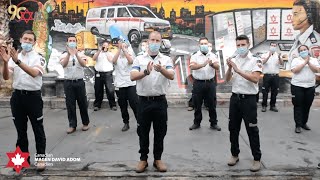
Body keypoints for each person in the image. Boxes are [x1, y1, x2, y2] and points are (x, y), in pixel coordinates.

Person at [0, 30, 46, 171]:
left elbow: (34, 73)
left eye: (30, 40)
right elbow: (7, 77)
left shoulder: (39, 58)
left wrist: (17, 61)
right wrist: (5, 63)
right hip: (17, 98)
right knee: (21, 131)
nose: (27, 42)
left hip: (33, 97)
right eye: (25, 39)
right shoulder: (16, 56)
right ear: (20, 39)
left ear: (34, 42)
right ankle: (21, 160)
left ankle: (41, 159)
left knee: (38, 129)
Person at [130, 31, 174, 173]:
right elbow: (132, 76)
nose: (154, 43)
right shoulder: (139, 59)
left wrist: (161, 69)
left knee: (160, 132)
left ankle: (157, 159)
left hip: (160, 102)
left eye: (157, 40)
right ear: (147, 42)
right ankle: (143, 159)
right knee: (142, 131)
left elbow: (171, 75)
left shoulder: (166, 59)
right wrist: (145, 72)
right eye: (152, 40)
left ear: (160, 43)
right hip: (143, 102)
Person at [225, 35, 262, 172]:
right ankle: (235, 154)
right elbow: (227, 79)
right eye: (238, 45)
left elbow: (255, 78)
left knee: (252, 130)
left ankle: (257, 158)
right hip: (235, 99)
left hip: (249, 100)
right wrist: (230, 68)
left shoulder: (255, 60)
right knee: (233, 129)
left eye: (243, 45)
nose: (240, 47)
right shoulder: (234, 60)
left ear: (248, 44)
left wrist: (238, 70)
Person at [188, 37, 220, 131]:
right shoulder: (195, 56)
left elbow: (217, 67)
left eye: (205, 43)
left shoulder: (213, 55)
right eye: (202, 44)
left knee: (212, 104)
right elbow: (192, 67)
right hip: (198, 83)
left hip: (210, 83)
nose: (204, 45)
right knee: (197, 104)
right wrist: (203, 64)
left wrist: (211, 64)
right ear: (199, 45)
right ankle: (196, 123)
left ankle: (213, 123)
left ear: (208, 44)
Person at [60, 36, 90, 134]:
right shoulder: (63, 55)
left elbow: (84, 64)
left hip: (79, 82)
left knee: (82, 103)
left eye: (74, 41)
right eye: (70, 41)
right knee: (70, 105)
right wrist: (69, 54)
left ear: (76, 43)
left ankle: (85, 123)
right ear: (67, 43)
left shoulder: (81, 54)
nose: (72, 42)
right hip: (68, 83)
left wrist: (76, 54)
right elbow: (63, 65)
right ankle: (72, 125)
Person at [290, 45, 320, 133]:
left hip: (310, 86)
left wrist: (309, 62)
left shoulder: (314, 60)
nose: (303, 51)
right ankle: (298, 125)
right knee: (298, 105)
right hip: (297, 86)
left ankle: (304, 123)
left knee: (307, 106)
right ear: (299, 53)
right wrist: (304, 62)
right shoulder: (296, 60)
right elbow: (295, 71)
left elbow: (317, 70)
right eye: (301, 50)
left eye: (305, 50)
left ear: (308, 50)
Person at [112, 40, 138, 132]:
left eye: (125, 47)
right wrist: (119, 49)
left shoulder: (131, 55)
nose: (123, 49)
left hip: (130, 84)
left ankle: (139, 122)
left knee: (134, 104)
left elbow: (130, 61)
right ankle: (126, 123)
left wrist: (125, 50)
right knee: (123, 106)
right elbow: (113, 61)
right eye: (121, 47)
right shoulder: (116, 56)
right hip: (120, 84)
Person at [92, 41, 117, 111]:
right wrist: (99, 51)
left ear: (108, 47)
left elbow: (111, 60)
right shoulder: (98, 53)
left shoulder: (110, 53)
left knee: (110, 90)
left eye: (106, 46)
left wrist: (106, 52)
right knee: (98, 90)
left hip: (108, 74)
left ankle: (113, 105)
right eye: (104, 45)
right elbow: (94, 58)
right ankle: (97, 105)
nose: (105, 47)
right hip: (98, 73)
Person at [261, 42, 283, 112]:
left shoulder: (278, 55)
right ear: (269, 46)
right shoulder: (265, 54)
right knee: (265, 91)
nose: (273, 47)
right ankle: (264, 105)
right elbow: (263, 62)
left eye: (274, 46)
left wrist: (279, 57)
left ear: (276, 47)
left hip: (275, 76)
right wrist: (268, 56)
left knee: (274, 92)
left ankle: (272, 106)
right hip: (267, 76)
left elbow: (282, 63)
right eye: (272, 45)